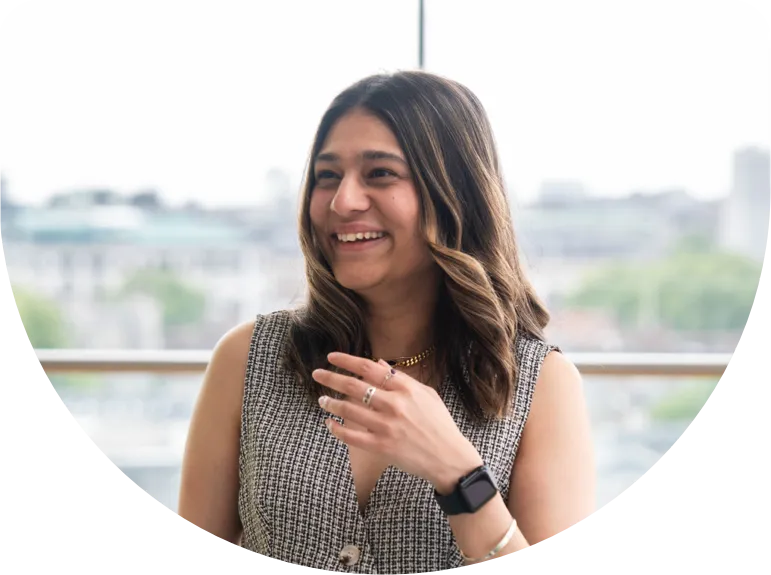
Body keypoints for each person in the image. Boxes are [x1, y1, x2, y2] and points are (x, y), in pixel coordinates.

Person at [177, 70, 596, 573]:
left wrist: (459, 474)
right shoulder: (248, 358)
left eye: (380, 174)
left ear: (454, 194)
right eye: (327, 175)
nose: (342, 201)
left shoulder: (541, 385)